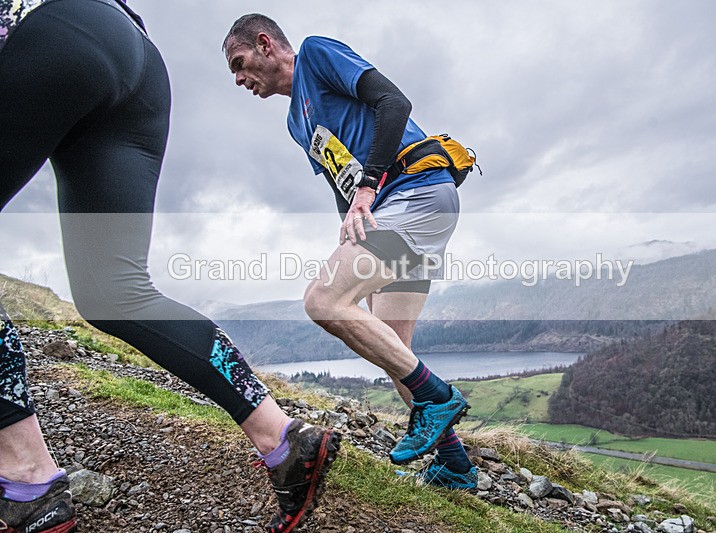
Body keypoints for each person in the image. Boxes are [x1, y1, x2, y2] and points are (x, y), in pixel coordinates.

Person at [0, 2, 338, 532]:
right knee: (114, 291)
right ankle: (283, 439)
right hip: (133, 55)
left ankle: (25, 477)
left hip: (41, 28)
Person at [222, 14, 478, 489]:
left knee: (322, 300)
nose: (240, 79)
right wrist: (350, 222)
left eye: (240, 63)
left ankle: (438, 397)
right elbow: (342, 177)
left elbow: (394, 103)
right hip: (390, 209)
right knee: (393, 349)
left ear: (265, 44)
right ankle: (455, 465)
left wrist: (368, 186)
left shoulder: (316, 55)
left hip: (416, 191)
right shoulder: (295, 122)